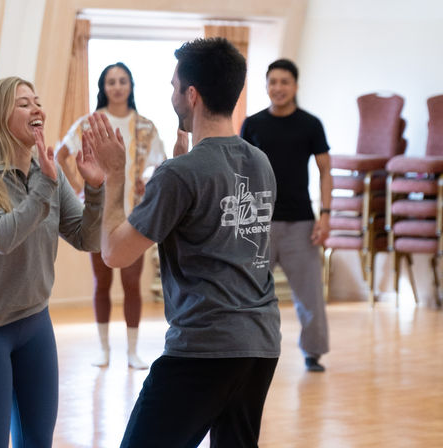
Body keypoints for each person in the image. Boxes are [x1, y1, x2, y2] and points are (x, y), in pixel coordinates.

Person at [85, 37, 281, 447]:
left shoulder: (179, 175)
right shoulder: (259, 161)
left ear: (191, 95)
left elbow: (115, 253)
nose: (172, 94)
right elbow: (221, 226)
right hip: (260, 344)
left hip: (204, 348)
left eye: (175, 86)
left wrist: (115, 175)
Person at [0, 77, 104, 448]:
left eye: (37, 101)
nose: (37, 110)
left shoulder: (47, 172)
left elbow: (87, 237)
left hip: (34, 323)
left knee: (37, 442)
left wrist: (94, 189)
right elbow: (2, 236)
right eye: (24, 104)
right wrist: (45, 186)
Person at [56, 62, 166, 369]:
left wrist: (149, 182)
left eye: (122, 81)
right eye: (110, 81)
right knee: (101, 282)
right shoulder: (89, 123)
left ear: (131, 86)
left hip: (135, 215)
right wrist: (78, 189)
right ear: (102, 87)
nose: (117, 86)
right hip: (99, 215)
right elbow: (61, 155)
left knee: (132, 283)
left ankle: (132, 350)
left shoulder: (145, 125)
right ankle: (104, 349)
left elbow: (163, 164)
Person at [241, 58, 330, 373]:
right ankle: (249, 350)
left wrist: (326, 215)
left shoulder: (310, 124)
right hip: (258, 224)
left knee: (310, 296)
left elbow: (325, 171)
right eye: (272, 82)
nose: (278, 88)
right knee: (250, 294)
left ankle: (313, 352)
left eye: (284, 82)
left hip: (300, 223)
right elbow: (242, 173)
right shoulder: (252, 124)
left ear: (295, 86)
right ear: (266, 86)